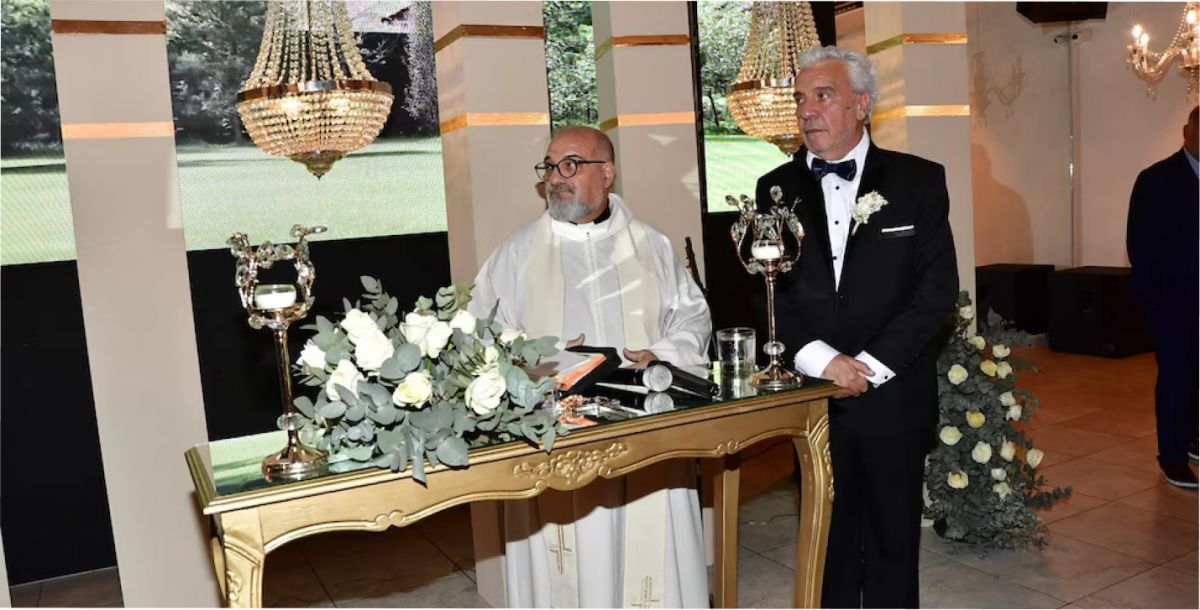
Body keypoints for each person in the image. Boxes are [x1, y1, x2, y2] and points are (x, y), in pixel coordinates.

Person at [468, 126, 712, 607]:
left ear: (608, 173)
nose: (556, 177)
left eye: (571, 164)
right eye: (549, 166)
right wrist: (543, 355)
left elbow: (693, 318)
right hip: (557, 441)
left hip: (645, 433)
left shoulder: (651, 245)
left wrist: (661, 354)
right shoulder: (516, 253)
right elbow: (479, 335)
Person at [755, 46, 958, 608]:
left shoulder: (918, 180)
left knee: (894, 539)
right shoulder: (773, 189)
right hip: (814, 398)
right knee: (828, 539)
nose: (806, 110)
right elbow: (767, 292)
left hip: (894, 392)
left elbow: (936, 290)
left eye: (823, 95)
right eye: (801, 99)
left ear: (862, 105)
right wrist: (823, 362)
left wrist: (868, 366)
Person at [1126, 105, 1200, 489]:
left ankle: (1193, 437)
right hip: (1174, 301)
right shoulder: (1157, 178)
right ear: (1187, 132)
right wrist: (1152, 299)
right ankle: (1172, 457)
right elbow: (1140, 243)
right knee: (1176, 377)